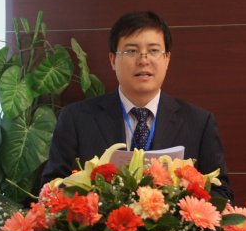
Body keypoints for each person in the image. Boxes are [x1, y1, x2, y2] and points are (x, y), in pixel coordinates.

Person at [41, 11, 234, 201]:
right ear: (113, 60)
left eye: (153, 51)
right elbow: (52, 188)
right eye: (131, 51)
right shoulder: (76, 119)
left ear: (167, 59)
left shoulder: (198, 123)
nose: (143, 60)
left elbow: (221, 193)